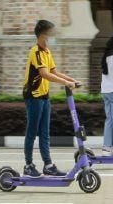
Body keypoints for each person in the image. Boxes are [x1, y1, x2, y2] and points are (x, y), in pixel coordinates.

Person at [21, 19, 80, 177]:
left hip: (44, 96)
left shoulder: (47, 52)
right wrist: (66, 83)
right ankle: (28, 165)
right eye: (51, 33)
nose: (53, 36)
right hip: (33, 96)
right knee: (32, 132)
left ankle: (48, 165)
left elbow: (54, 72)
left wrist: (71, 80)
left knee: (45, 132)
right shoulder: (36, 52)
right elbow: (45, 74)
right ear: (43, 35)